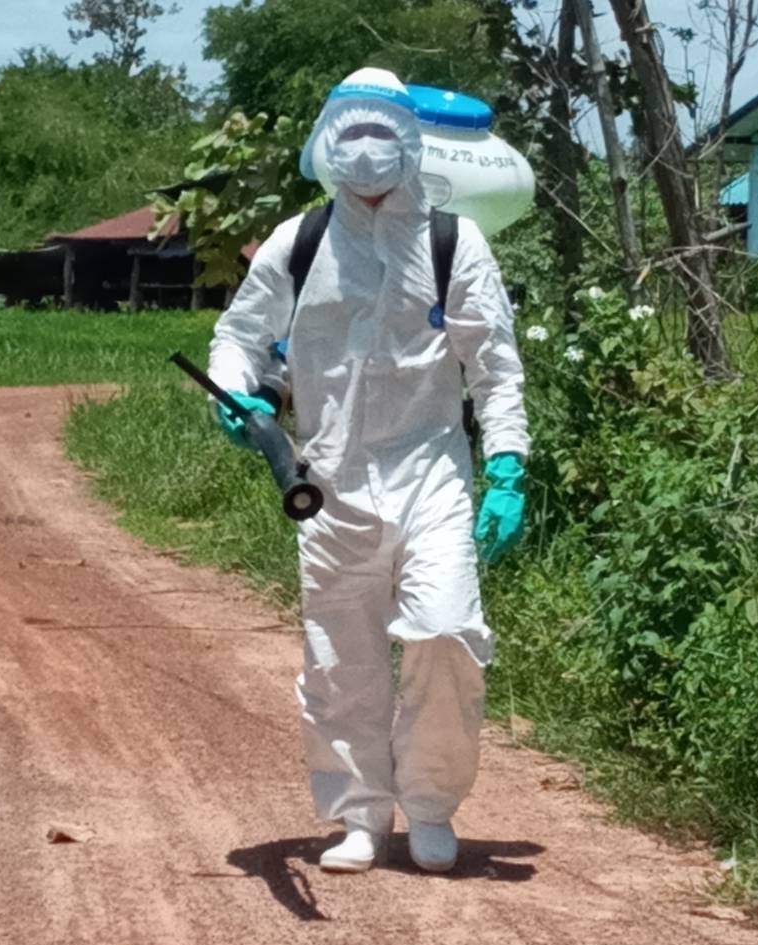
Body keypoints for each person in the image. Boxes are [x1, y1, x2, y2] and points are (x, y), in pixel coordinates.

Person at [208, 68, 529, 874]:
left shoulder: (452, 242)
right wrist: (236, 393)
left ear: (410, 142)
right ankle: (360, 814)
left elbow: (493, 363)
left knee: (446, 633)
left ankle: (430, 806)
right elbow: (239, 335)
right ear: (326, 142)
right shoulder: (299, 241)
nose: (365, 148)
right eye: (349, 131)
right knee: (338, 656)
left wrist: (507, 463)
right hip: (329, 482)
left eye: (381, 131)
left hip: (431, 473)